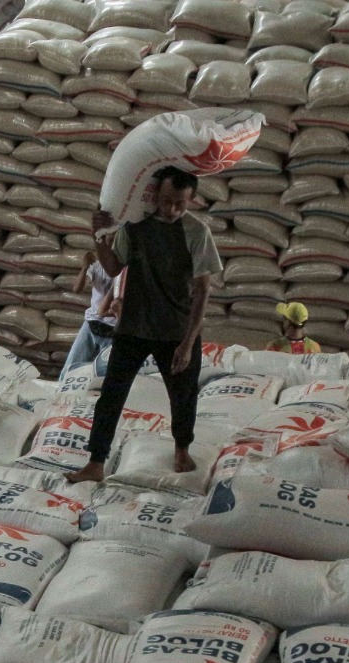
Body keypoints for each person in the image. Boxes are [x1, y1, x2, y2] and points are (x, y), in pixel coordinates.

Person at [65, 166, 221, 484]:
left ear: (191, 200)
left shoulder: (196, 232)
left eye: (179, 203)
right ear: (155, 195)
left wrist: (188, 343)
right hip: (133, 327)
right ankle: (96, 462)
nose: (171, 209)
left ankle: (181, 448)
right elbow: (112, 267)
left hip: (176, 330)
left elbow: (203, 290)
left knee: (183, 395)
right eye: (166, 201)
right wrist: (99, 237)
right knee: (111, 395)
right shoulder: (135, 227)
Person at [59, 251, 119, 376]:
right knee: (70, 369)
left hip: (113, 329)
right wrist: (85, 267)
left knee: (104, 374)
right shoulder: (97, 264)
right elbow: (77, 289)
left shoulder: (126, 269)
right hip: (92, 323)